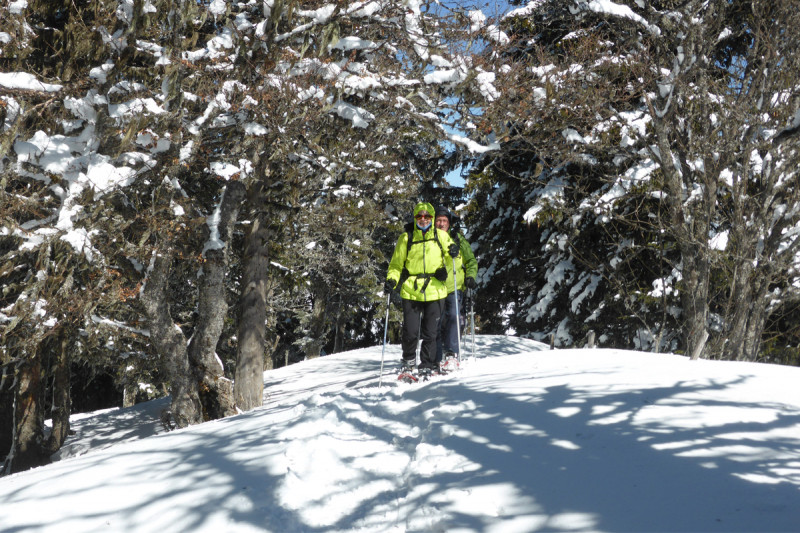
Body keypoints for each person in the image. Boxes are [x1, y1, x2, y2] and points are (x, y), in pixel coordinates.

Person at [385, 202, 458, 376]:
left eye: (427, 216)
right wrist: (391, 280)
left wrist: (445, 268)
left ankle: (427, 363)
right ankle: (408, 361)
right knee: (410, 330)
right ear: (415, 218)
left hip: (435, 289)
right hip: (412, 289)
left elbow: (453, 259)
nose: (423, 219)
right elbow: (396, 264)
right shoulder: (406, 238)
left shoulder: (441, 236)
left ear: (432, 218)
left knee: (430, 332)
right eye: (420, 216)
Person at [434, 205, 478, 369]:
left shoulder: (458, 239)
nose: (441, 224)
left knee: (454, 317)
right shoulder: (429, 239)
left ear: (450, 223)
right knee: (436, 323)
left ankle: (452, 353)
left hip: (455, 286)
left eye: (444, 220)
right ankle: (436, 356)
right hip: (434, 288)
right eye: (438, 220)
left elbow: (471, 261)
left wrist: (471, 277)